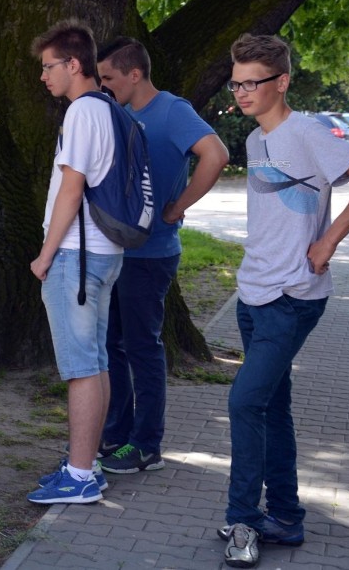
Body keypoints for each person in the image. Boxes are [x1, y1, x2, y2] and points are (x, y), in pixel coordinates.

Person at [219, 34, 349, 568]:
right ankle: (287, 519)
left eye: (254, 82)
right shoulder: (255, 141)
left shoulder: (307, 133)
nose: (243, 92)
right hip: (253, 292)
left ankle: (244, 522)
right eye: (237, 82)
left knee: (244, 403)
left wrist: (329, 239)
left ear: (282, 82)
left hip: (292, 296)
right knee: (272, 407)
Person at [94, 38, 229, 474]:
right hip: (117, 253)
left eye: (109, 78)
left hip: (151, 257)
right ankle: (117, 434)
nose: (104, 86)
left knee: (142, 348)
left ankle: (147, 446)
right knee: (112, 346)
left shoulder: (172, 110)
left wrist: (178, 206)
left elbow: (217, 154)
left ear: (135, 74)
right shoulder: (124, 113)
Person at [25, 19, 122, 505]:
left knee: (81, 366)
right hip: (104, 253)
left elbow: (71, 188)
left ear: (74, 64)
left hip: (76, 256)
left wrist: (45, 255)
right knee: (97, 360)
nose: (43, 77)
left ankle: (81, 475)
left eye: (48, 67)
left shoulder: (83, 111)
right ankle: (90, 464)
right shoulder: (108, 107)